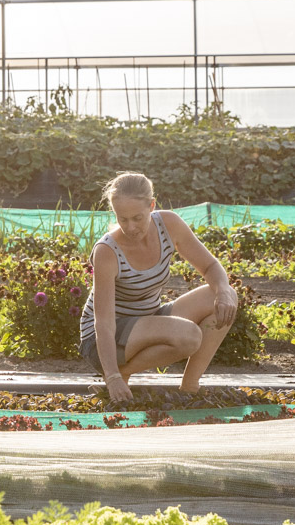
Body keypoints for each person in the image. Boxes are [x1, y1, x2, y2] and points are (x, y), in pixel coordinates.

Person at [79, 172, 239, 404]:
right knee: (189, 336)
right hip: (104, 340)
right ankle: (122, 374)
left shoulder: (169, 224)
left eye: (137, 217)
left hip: (148, 319)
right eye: (122, 219)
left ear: (152, 205)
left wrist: (223, 290)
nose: (130, 227)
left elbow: (211, 266)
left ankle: (189, 389)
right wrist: (112, 375)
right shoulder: (107, 251)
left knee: (224, 294)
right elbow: (103, 323)